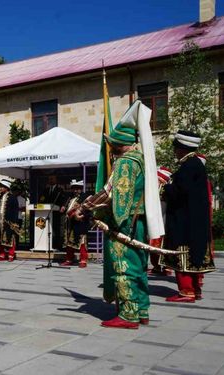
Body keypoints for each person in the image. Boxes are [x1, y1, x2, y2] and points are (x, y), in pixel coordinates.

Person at [77, 120, 150, 329]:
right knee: (139, 267)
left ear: (118, 144)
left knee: (123, 266)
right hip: (139, 221)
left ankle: (129, 315)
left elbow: (111, 194)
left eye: (112, 143)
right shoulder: (141, 160)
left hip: (125, 223)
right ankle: (142, 310)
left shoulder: (125, 162)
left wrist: (85, 208)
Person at [160, 131, 215, 303]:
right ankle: (194, 289)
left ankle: (186, 291)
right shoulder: (195, 165)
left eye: (176, 148)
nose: (175, 151)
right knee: (194, 254)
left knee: (182, 253)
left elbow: (179, 192)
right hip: (193, 221)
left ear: (183, 148)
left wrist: (165, 188)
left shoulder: (189, 166)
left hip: (185, 222)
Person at [148, 167, 172, 276]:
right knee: (156, 245)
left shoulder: (162, 189)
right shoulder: (161, 189)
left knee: (159, 245)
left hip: (161, 222)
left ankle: (164, 267)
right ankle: (158, 267)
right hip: (161, 222)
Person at [61, 180, 89, 268]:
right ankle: (69, 259)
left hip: (80, 223)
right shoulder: (70, 198)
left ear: (81, 189)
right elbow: (66, 209)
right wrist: (63, 209)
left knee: (82, 242)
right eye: (74, 189)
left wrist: (81, 216)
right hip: (69, 224)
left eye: (77, 189)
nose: (75, 191)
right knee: (69, 242)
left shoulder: (85, 197)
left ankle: (83, 260)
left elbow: (88, 210)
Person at [0, 179, 19, 262]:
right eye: (0, 187)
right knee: (0, 238)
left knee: (10, 237)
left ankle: (11, 254)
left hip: (9, 222)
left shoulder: (13, 198)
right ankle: (2, 254)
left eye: (2, 187)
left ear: (7, 188)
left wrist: (14, 222)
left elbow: (15, 211)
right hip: (0, 222)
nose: (0, 188)